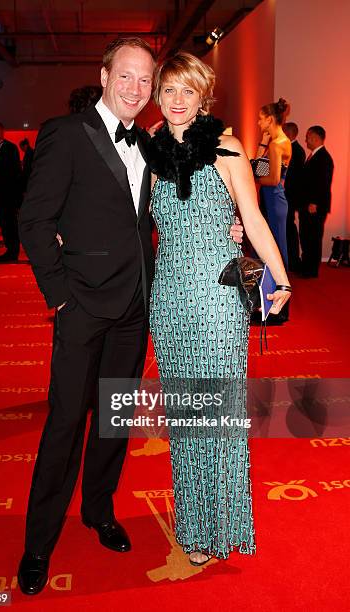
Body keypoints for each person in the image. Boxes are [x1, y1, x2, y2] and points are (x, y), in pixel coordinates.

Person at [17, 38, 243, 596]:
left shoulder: (153, 143)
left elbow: (178, 211)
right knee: (66, 424)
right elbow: (34, 221)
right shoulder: (65, 133)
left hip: (137, 312)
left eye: (146, 81)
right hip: (82, 310)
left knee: (114, 423)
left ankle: (99, 511)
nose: (136, 89)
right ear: (104, 75)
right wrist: (61, 296)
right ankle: (38, 544)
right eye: (127, 77)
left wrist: (229, 232)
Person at [148, 52, 291, 566]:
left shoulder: (228, 148)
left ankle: (225, 521)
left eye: (189, 91)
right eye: (169, 91)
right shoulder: (150, 153)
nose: (178, 101)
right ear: (158, 96)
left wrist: (281, 277)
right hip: (168, 301)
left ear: (203, 96)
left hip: (215, 298)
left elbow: (251, 218)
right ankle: (195, 521)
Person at [255, 99, 291, 323]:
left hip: (275, 201)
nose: (258, 122)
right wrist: (261, 142)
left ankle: (280, 311)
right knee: (270, 251)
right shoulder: (275, 142)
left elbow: (273, 178)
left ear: (270, 119)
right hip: (271, 200)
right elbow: (261, 166)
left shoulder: (279, 143)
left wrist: (255, 177)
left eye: (260, 119)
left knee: (276, 253)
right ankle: (270, 306)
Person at [299, 126, 334, 278]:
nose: (306, 140)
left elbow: (323, 183)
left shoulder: (324, 158)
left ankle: (311, 270)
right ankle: (307, 266)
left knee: (312, 237)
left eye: (308, 136)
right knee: (306, 236)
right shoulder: (314, 156)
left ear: (315, 137)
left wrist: (314, 202)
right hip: (308, 205)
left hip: (315, 206)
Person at [0, 121, 22, 262]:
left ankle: (13, 251)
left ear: (2, 131)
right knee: (3, 222)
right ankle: (9, 250)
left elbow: (15, 171)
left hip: (9, 193)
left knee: (11, 223)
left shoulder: (11, 148)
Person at [282, 122, 306, 272]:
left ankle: (293, 260)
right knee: (287, 227)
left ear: (289, 133)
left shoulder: (296, 150)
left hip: (290, 195)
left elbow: (292, 176)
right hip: (287, 194)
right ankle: (290, 259)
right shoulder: (293, 149)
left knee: (289, 228)